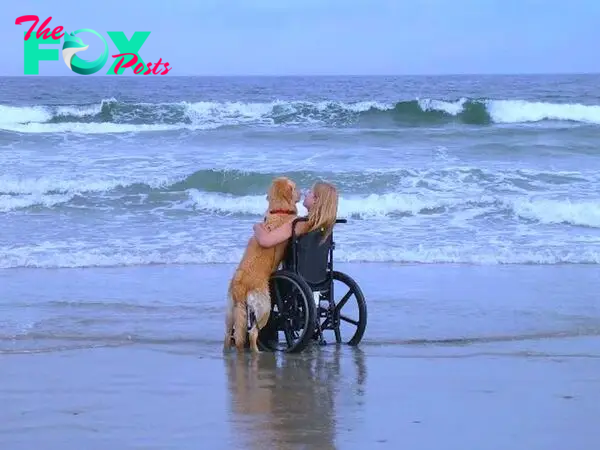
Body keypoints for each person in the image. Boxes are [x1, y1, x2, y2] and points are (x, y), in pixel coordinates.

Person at [252, 181, 339, 248]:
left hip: (294, 268)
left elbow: (265, 241)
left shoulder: (299, 223)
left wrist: (257, 226)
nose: (305, 194)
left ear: (316, 199)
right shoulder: (324, 224)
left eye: (309, 192)